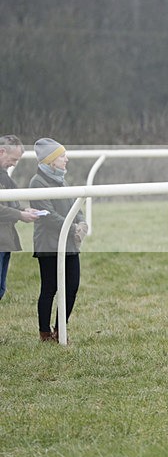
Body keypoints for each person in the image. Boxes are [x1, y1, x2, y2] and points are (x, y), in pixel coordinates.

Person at [29, 138, 88, 342]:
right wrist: (73, 228)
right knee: (49, 289)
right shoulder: (37, 182)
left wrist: (82, 224)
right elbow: (47, 215)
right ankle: (45, 333)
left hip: (68, 242)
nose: (66, 159)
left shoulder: (62, 179)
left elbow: (75, 208)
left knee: (71, 287)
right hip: (48, 244)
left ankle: (60, 329)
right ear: (51, 160)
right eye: (62, 155)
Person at [0, 135, 40, 301]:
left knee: (1, 288)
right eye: (13, 159)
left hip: (5, 239)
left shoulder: (5, 177)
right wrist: (19, 214)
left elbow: (11, 206)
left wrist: (25, 210)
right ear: (1, 151)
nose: (14, 164)